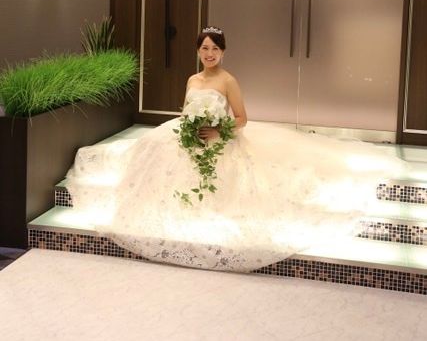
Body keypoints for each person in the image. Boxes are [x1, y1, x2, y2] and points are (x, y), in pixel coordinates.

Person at [66, 27, 409, 272]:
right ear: (198, 51)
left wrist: (217, 130)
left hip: (220, 138)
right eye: (204, 49)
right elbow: (186, 111)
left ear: (223, 52)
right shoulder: (192, 80)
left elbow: (242, 118)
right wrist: (190, 129)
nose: (209, 54)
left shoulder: (228, 80)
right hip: (190, 136)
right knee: (153, 147)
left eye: (215, 49)